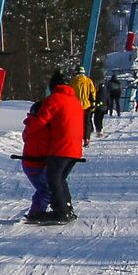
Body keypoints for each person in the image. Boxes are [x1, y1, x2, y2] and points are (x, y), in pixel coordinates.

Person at [28, 71, 85, 222]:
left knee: (52, 179)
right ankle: (67, 207)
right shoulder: (74, 101)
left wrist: (28, 128)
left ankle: (61, 211)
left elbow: (41, 121)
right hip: (74, 148)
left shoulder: (53, 100)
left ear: (53, 86)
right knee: (60, 179)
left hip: (61, 147)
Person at [19, 100, 50, 221]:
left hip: (28, 164)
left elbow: (25, 138)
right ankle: (36, 212)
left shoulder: (29, 126)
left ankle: (37, 210)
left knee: (43, 188)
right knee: (46, 189)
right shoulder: (45, 127)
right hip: (38, 163)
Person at [70, 66, 98, 146]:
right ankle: (86, 139)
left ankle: (76, 138)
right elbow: (93, 92)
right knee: (87, 122)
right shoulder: (88, 81)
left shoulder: (72, 82)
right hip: (87, 105)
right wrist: (93, 103)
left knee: (76, 123)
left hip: (75, 106)